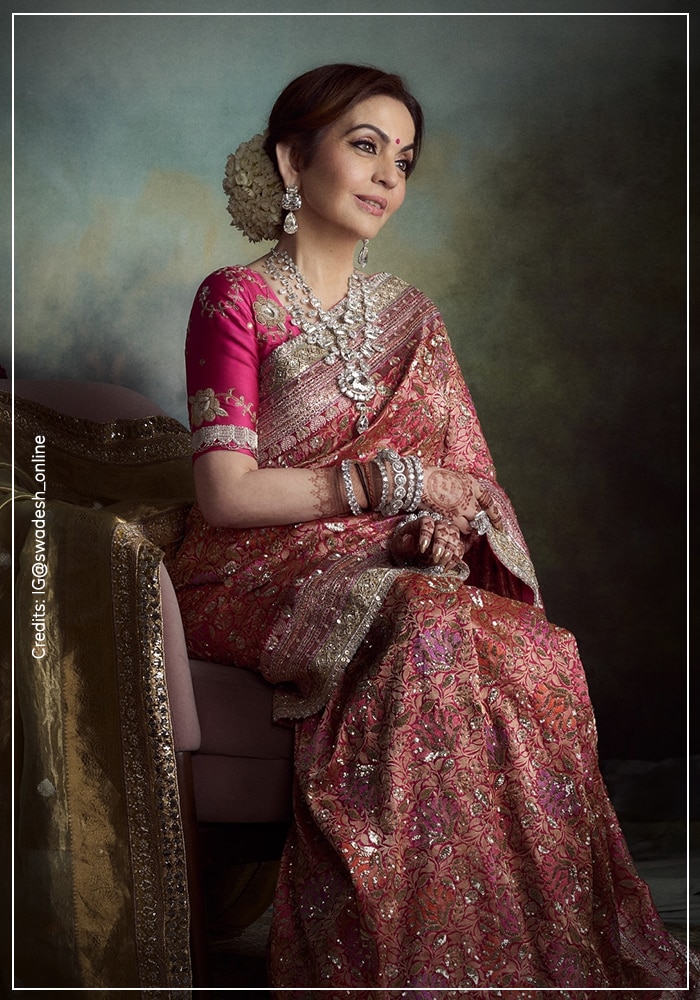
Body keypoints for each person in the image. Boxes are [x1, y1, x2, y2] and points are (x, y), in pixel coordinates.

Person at [170, 63, 697, 995]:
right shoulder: (234, 300)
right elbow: (224, 495)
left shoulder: (414, 317)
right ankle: (402, 960)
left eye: (402, 160)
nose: (385, 177)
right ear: (294, 159)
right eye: (364, 146)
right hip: (246, 576)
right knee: (422, 626)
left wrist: (433, 535)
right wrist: (387, 484)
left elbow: (466, 494)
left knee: (538, 656)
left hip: (385, 573)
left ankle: (501, 956)